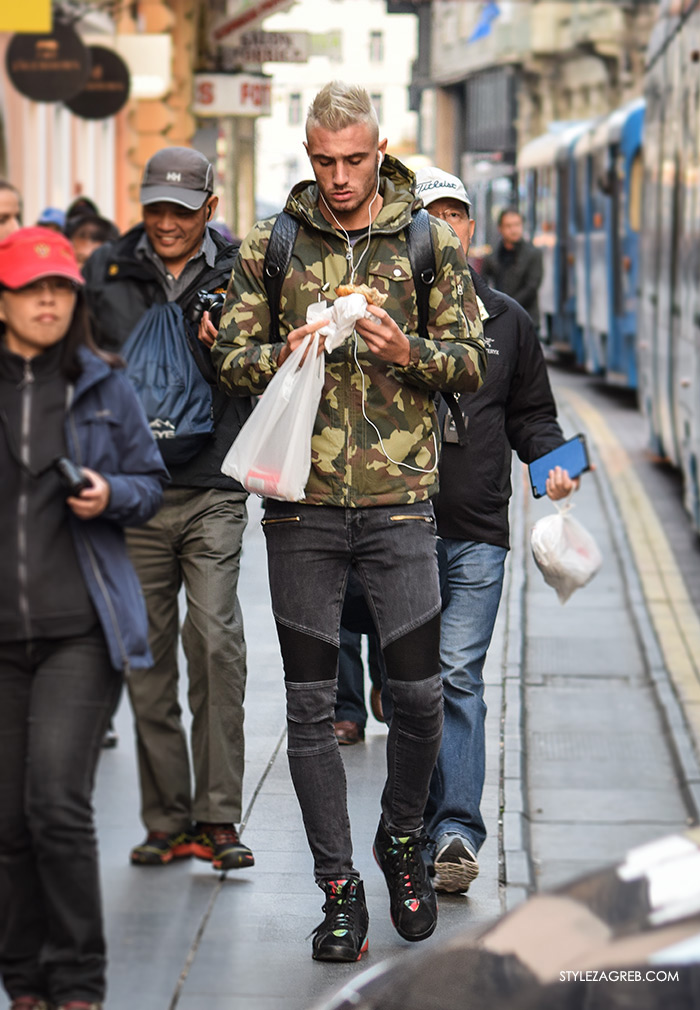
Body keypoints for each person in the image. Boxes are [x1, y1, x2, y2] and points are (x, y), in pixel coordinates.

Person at [213, 81, 486, 962]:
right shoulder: (275, 243)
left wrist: (411, 350)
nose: (338, 176)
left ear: (379, 151)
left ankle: (401, 834)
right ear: (308, 153)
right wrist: (278, 354)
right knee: (305, 710)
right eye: (324, 161)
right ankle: (339, 890)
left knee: (416, 697)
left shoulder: (426, 241)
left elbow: (475, 361)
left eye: (354, 160)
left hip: (403, 504)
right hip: (300, 509)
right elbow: (229, 354)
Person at [0, 227, 167, 1010]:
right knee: (7, 820)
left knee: (56, 805)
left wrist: (110, 493)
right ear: (4, 299)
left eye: (61, 289)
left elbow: (150, 483)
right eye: (33, 288)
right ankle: (23, 979)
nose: (47, 302)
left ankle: (76, 979)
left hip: (79, 629)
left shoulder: (104, 383)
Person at [83, 147, 254, 873]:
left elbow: (268, 363)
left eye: (181, 211)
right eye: (155, 208)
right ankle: (167, 821)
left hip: (214, 483)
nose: (166, 223)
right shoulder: (108, 274)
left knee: (214, 641)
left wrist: (229, 349)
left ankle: (216, 817)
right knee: (146, 657)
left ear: (209, 210)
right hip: (135, 492)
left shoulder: (243, 271)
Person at [415, 166, 575, 894]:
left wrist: (555, 467)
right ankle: (411, 821)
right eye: (431, 218)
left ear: (473, 228)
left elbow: (531, 415)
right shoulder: (386, 316)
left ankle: (454, 831)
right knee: (412, 686)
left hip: (478, 529)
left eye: (457, 216)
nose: (446, 229)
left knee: (456, 677)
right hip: (397, 530)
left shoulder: (507, 319)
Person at [482, 207, 543, 330]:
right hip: (500, 320)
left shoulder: (533, 254)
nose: (514, 230)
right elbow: (482, 283)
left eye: (517, 225)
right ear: (500, 228)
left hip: (527, 319)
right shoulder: (493, 256)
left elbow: (531, 287)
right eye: (508, 226)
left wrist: (507, 307)